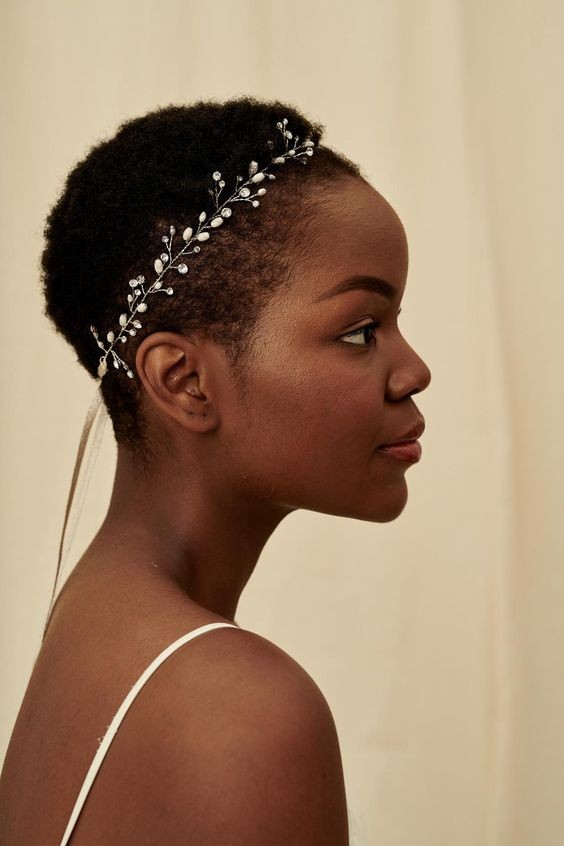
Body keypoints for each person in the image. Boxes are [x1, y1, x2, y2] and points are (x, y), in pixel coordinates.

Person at [0, 94, 431, 844]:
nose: (414, 371)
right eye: (362, 331)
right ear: (184, 381)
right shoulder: (243, 712)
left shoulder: (95, 613)